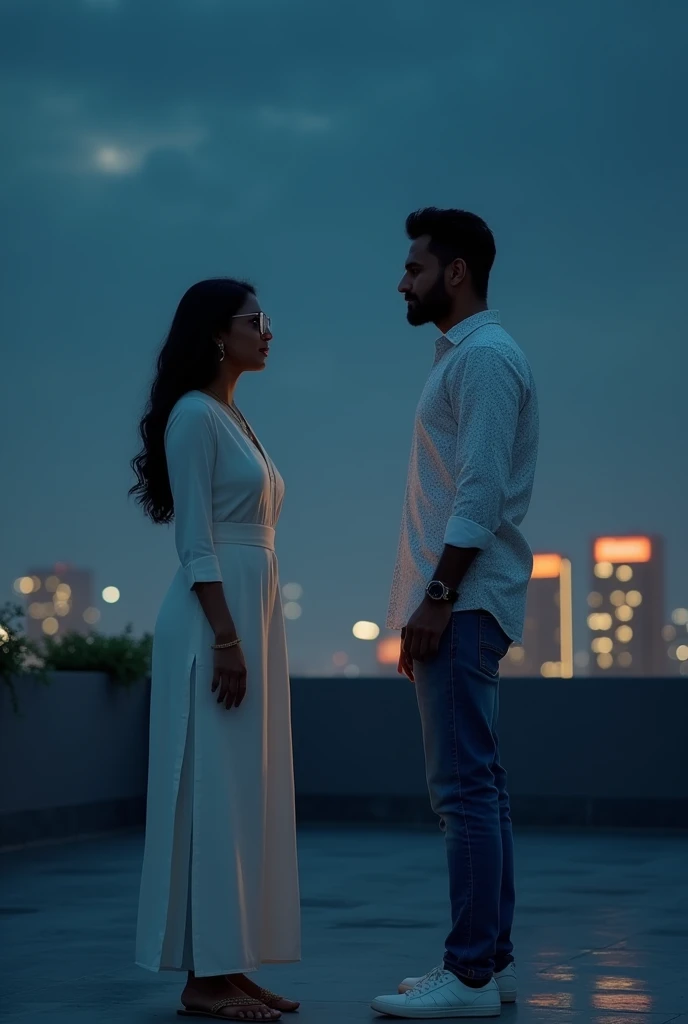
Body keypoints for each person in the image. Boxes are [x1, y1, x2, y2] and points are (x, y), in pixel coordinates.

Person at [371, 209, 539, 1019]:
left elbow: (477, 494)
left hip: (462, 604)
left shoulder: (485, 360)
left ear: (457, 271)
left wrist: (435, 600)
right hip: (456, 604)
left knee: (463, 793)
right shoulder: (464, 359)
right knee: (481, 790)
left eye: (414, 269)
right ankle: (486, 964)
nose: (402, 282)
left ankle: (469, 974)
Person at [131, 279, 300, 1022]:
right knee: (211, 792)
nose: (268, 331)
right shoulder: (196, 416)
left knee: (245, 793)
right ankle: (204, 980)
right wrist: (227, 638)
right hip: (214, 622)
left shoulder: (234, 415)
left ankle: (233, 964)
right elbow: (195, 542)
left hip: (248, 613)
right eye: (255, 321)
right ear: (215, 333)